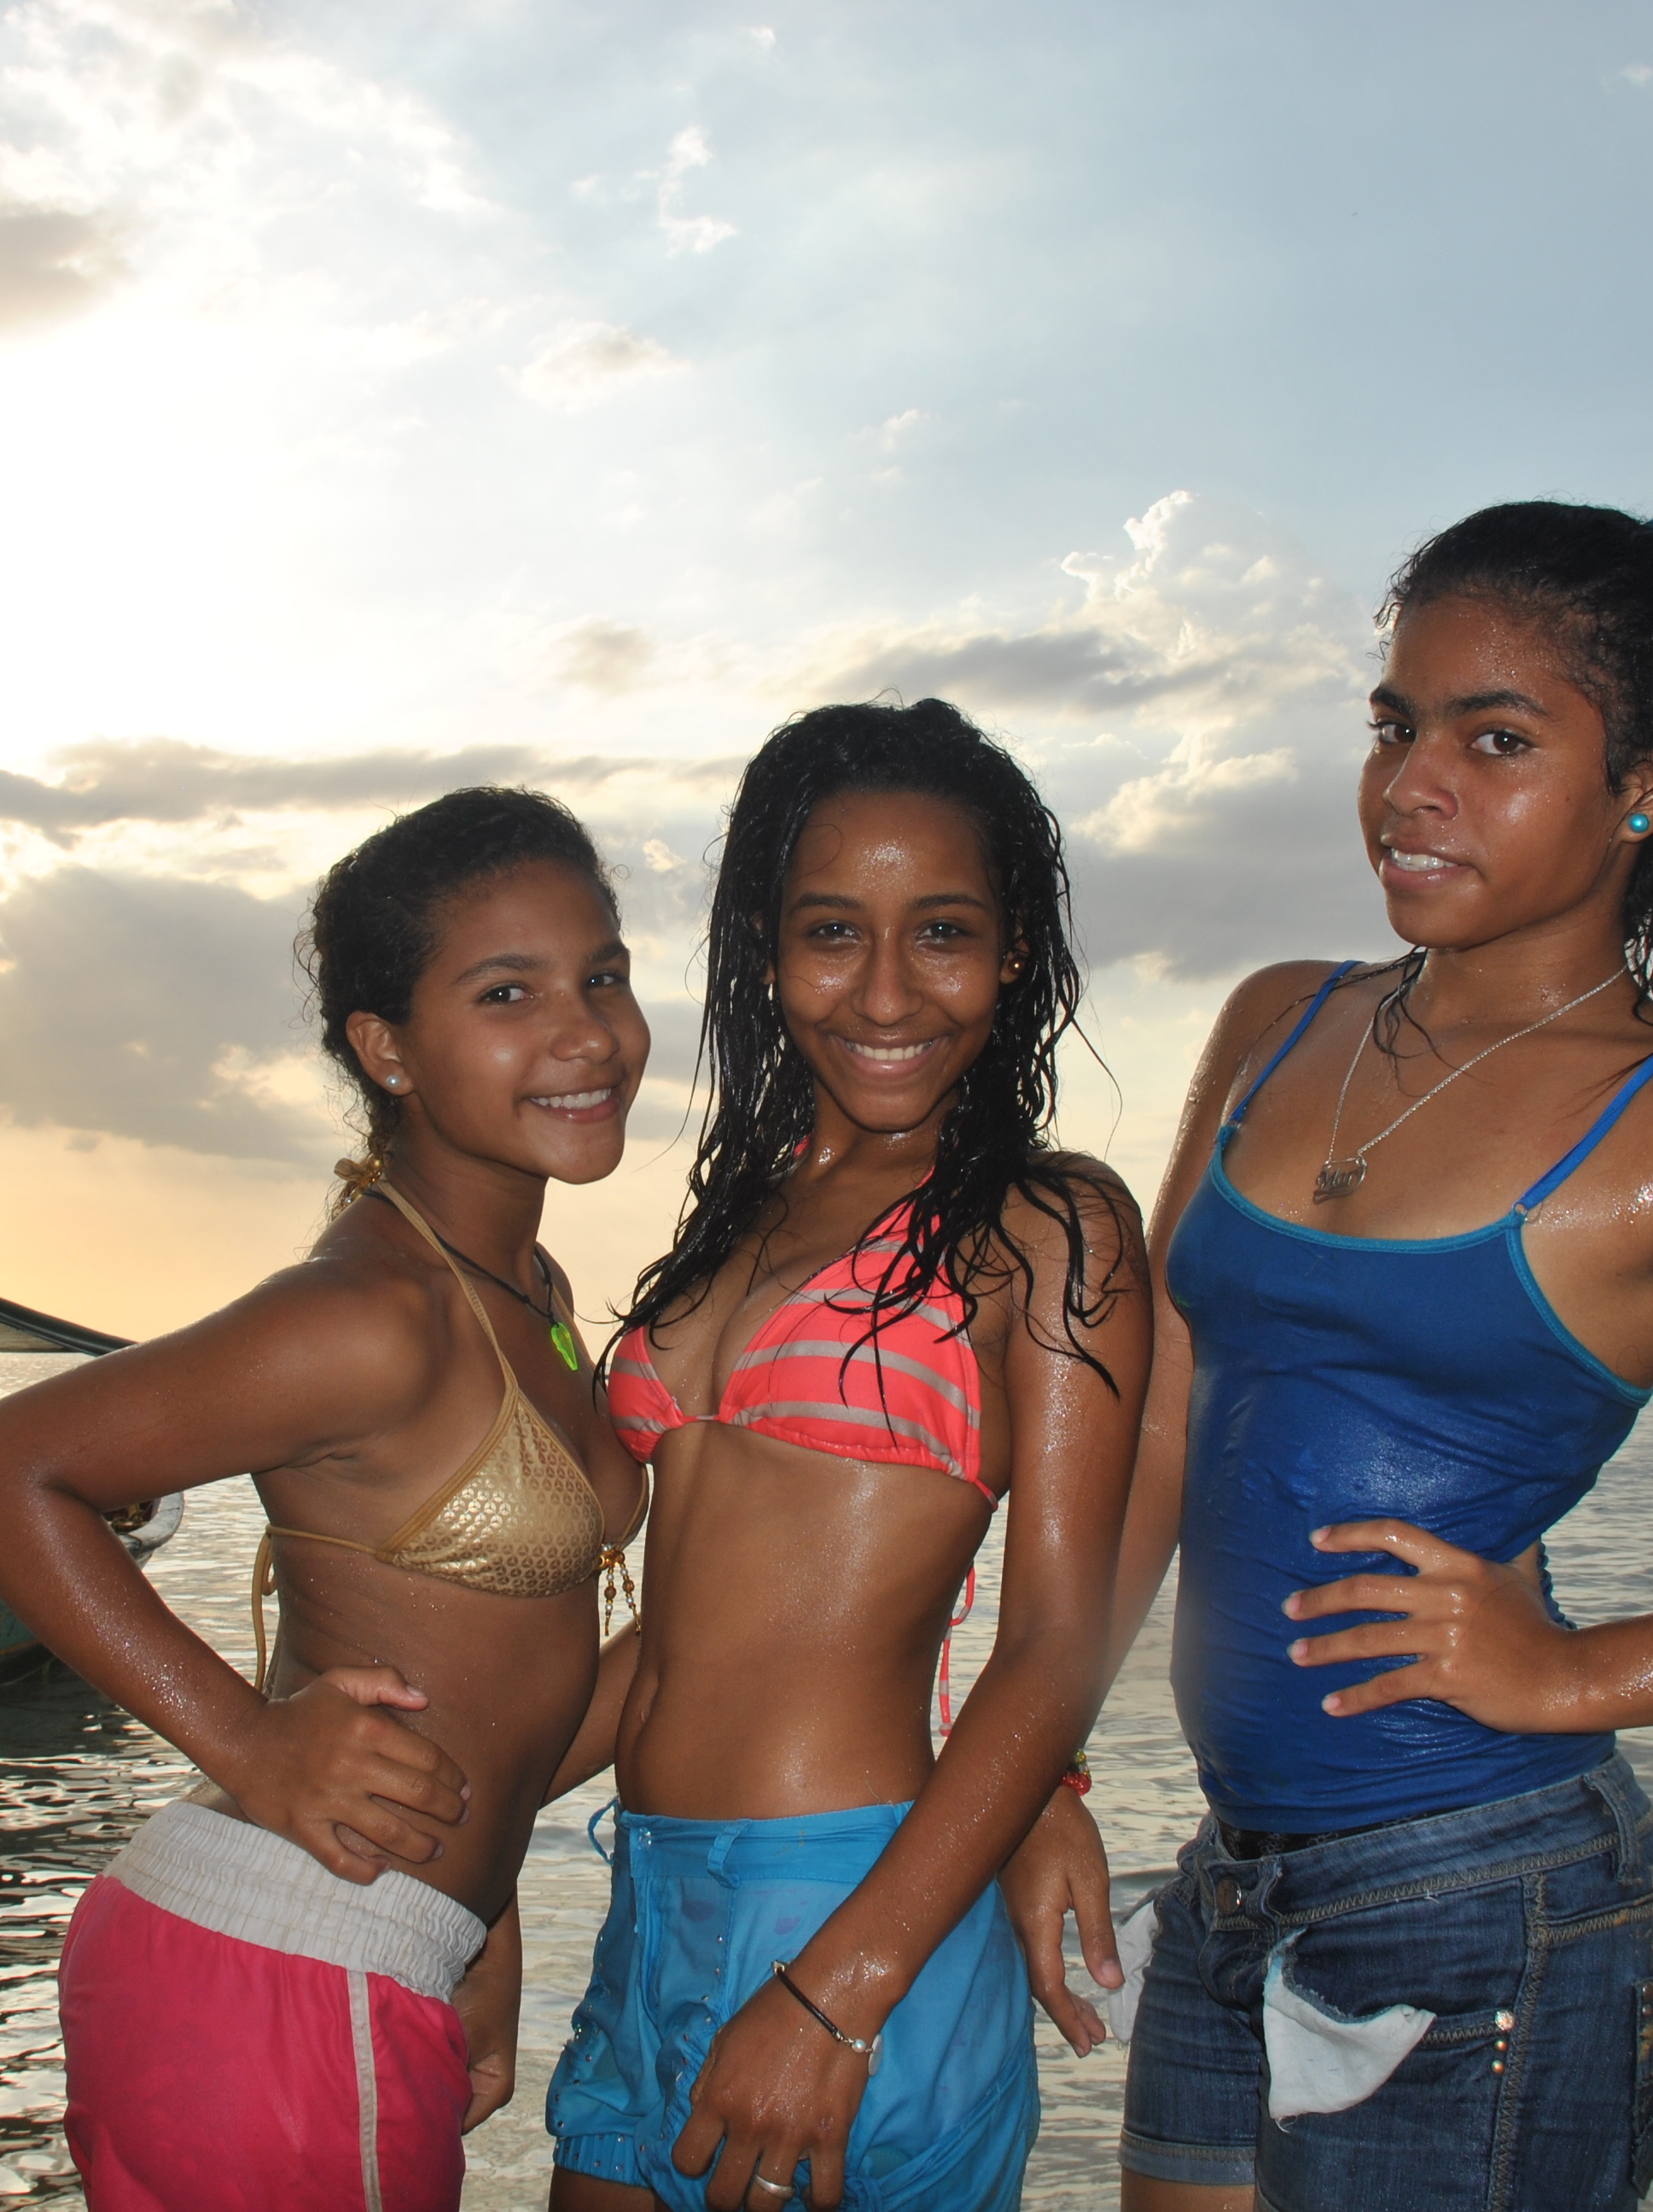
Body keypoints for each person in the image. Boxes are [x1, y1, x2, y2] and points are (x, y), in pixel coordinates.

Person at [1027, 502, 1653, 2211]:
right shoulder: (1279, 1019)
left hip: (1490, 1908)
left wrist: (1578, 1673)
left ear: (1650, 784)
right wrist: (1043, 1766)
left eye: (1495, 741)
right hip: (1232, 1882)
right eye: (1395, 727)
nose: (1410, 786)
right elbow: (1160, 1424)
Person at [0, 787, 652, 2212]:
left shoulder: (534, 1291)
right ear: (387, 1049)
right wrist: (249, 1741)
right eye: (508, 993)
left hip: (364, 1960)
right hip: (286, 1975)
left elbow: (480, 1679)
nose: (587, 1034)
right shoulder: (374, 1312)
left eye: (603, 976)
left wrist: (485, 1918)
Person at [543, 698, 1151, 2212]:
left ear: (1014, 956)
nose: (886, 991)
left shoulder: (1045, 1228)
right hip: (649, 1902)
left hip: (852, 1915)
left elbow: (1056, 1641)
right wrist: (452, 1846)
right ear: (765, 951)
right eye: (832, 932)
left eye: (942, 931)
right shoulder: (734, 1223)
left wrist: (838, 1995)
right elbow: (684, 1639)